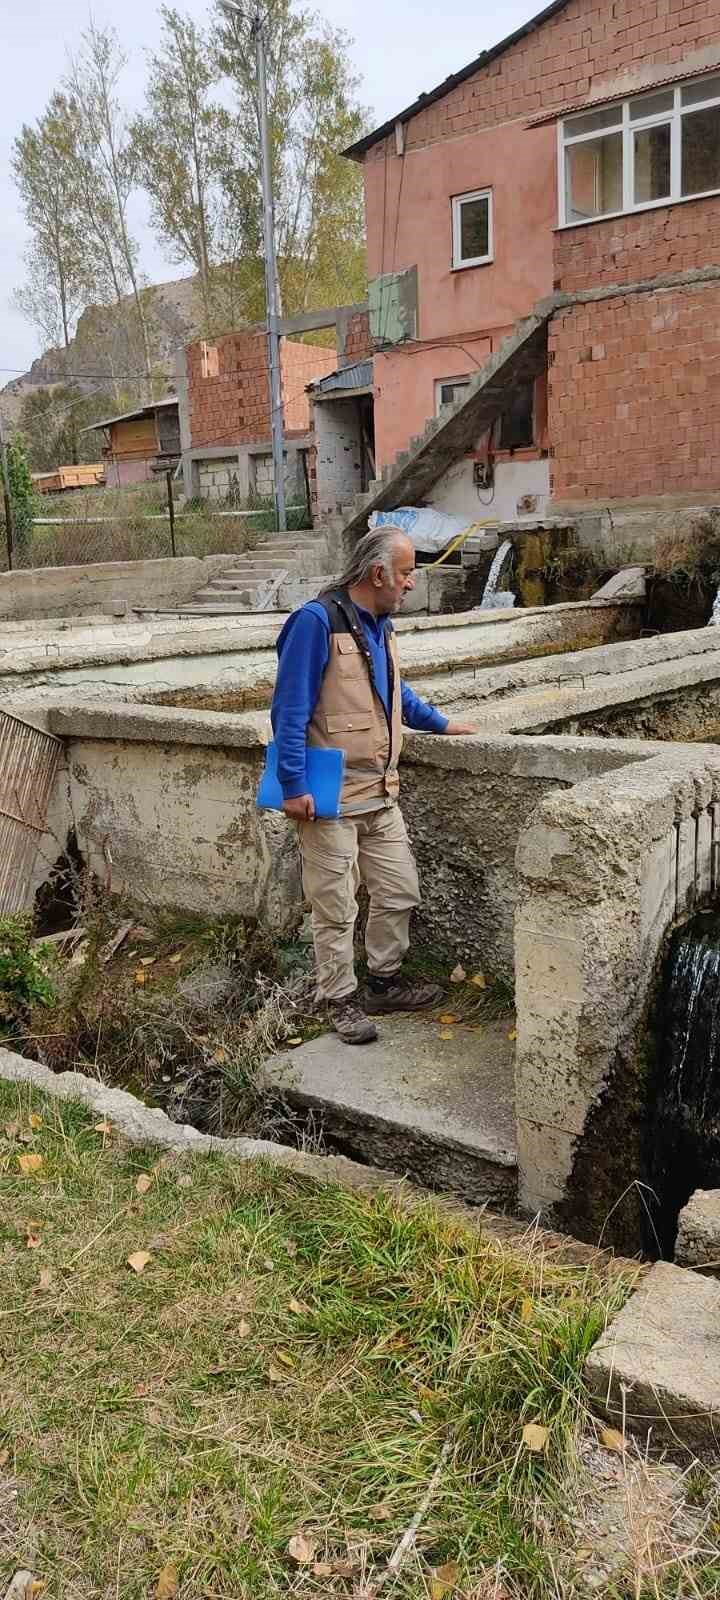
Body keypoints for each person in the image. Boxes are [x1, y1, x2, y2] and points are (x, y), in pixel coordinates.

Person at [270, 525, 475, 1044]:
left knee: (399, 890)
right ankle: (338, 999)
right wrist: (293, 786)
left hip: (382, 792)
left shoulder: (379, 626)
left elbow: (393, 694)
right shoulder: (314, 623)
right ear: (379, 573)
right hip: (329, 798)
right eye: (406, 573)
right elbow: (289, 711)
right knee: (335, 908)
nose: (410, 583)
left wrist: (442, 724)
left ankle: (383, 982)